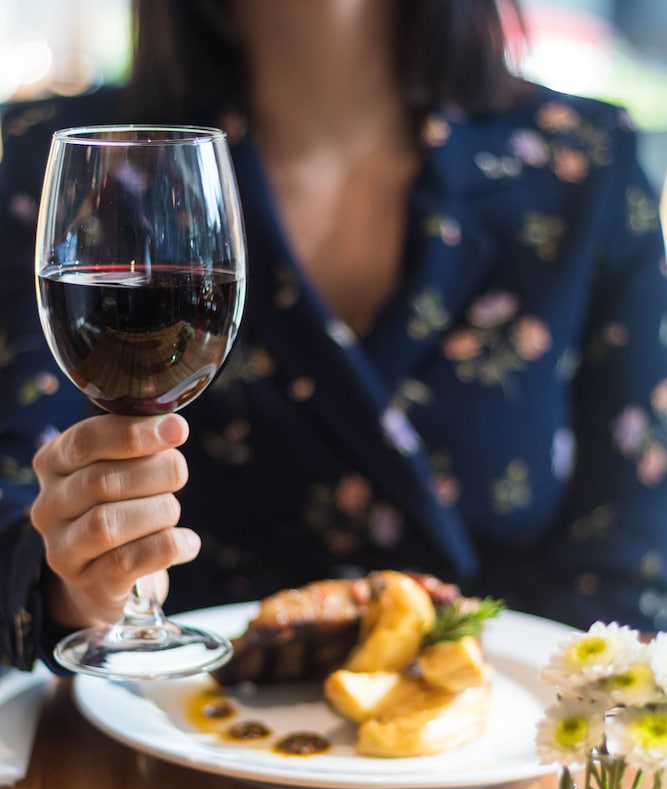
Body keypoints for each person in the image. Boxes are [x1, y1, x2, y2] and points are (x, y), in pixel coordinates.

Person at [1, 0, 667, 674]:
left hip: (502, 721)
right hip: (151, 720)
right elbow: (12, 501)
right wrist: (73, 587)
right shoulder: (47, 160)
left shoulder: (586, 163)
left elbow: (630, 567)